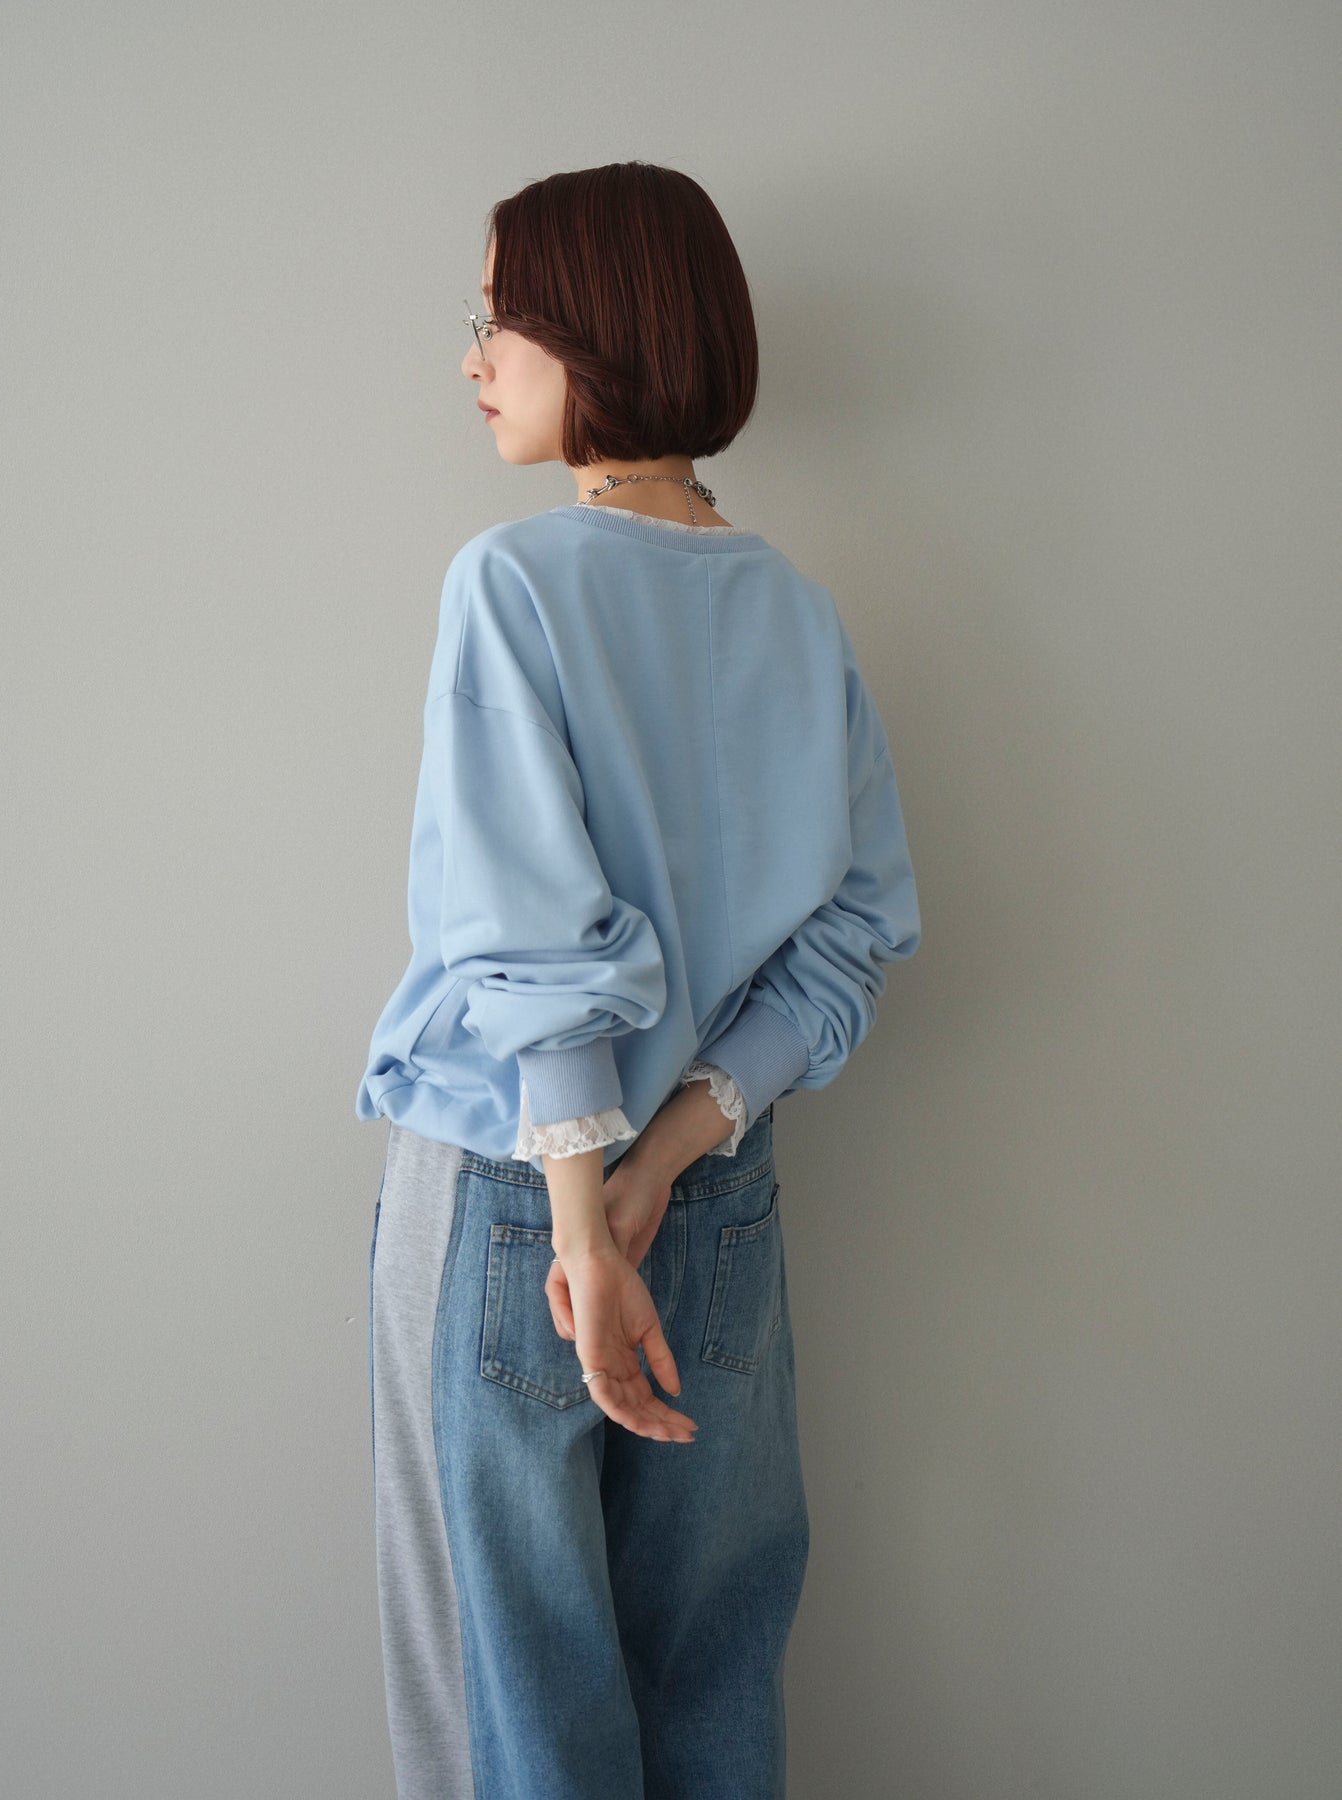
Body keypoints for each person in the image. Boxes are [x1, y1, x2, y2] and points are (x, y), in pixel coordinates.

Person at [359, 160, 921, 1799]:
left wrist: (581, 1216)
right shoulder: (796, 614)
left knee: (507, 1688)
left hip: (510, 1200)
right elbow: (849, 936)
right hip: (714, 1185)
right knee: (709, 1665)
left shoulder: (513, 580)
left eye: (499, 319)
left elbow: (526, 926)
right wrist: (666, 1159)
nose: (473, 361)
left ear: (595, 328)